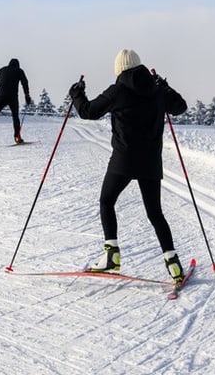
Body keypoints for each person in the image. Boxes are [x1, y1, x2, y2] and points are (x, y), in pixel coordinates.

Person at [68, 48, 189, 282]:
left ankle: (111, 256)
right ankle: (173, 264)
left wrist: (76, 94)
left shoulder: (118, 91)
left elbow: (88, 112)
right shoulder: (156, 89)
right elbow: (180, 107)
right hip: (151, 161)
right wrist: (164, 87)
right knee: (155, 212)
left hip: (123, 160)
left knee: (107, 201)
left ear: (119, 69)